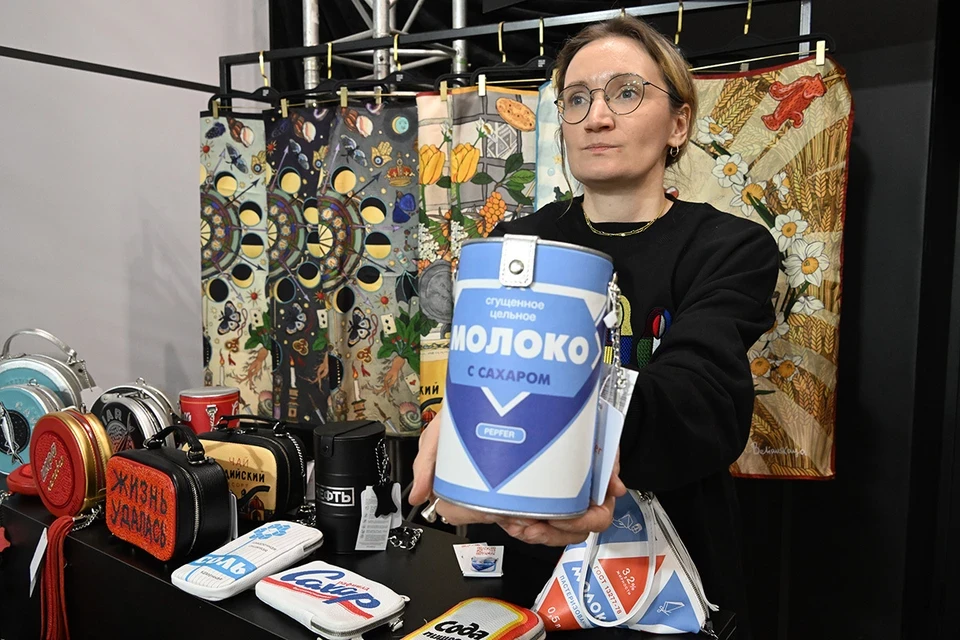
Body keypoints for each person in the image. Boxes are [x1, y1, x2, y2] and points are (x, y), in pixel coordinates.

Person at [410, 14, 779, 636]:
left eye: (625, 92)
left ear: (679, 123)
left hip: (671, 576)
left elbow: (703, 402)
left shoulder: (728, 246)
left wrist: (564, 424)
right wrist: (462, 421)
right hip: (536, 566)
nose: (596, 117)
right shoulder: (519, 242)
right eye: (576, 99)